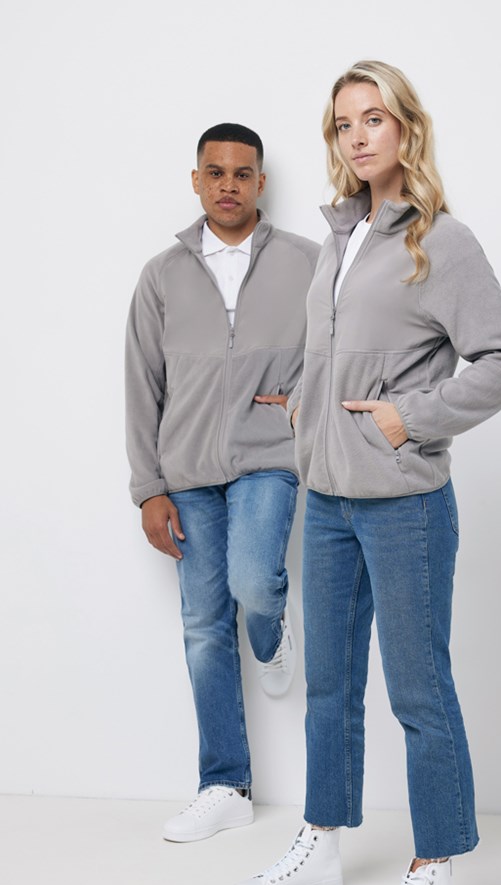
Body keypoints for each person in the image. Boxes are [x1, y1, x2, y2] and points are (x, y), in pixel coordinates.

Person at [232, 63, 501, 885]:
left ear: (405, 129)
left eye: (372, 119)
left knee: (417, 691)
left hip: (404, 505)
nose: (356, 137)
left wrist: (411, 419)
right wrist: (309, 404)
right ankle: (320, 845)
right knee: (329, 687)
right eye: (342, 124)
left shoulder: (442, 242)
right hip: (327, 501)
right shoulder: (340, 238)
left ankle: (433, 871)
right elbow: (348, 350)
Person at [125, 123, 320, 843]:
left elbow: (336, 351)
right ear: (196, 180)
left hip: (269, 456)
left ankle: (272, 632)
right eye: (215, 172)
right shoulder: (162, 275)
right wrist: (148, 486)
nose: (228, 185)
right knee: (203, 627)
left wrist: (300, 404)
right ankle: (225, 784)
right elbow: (141, 384)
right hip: (186, 472)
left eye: (242, 173)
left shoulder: (306, 261)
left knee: (254, 582)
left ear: (260, 182)